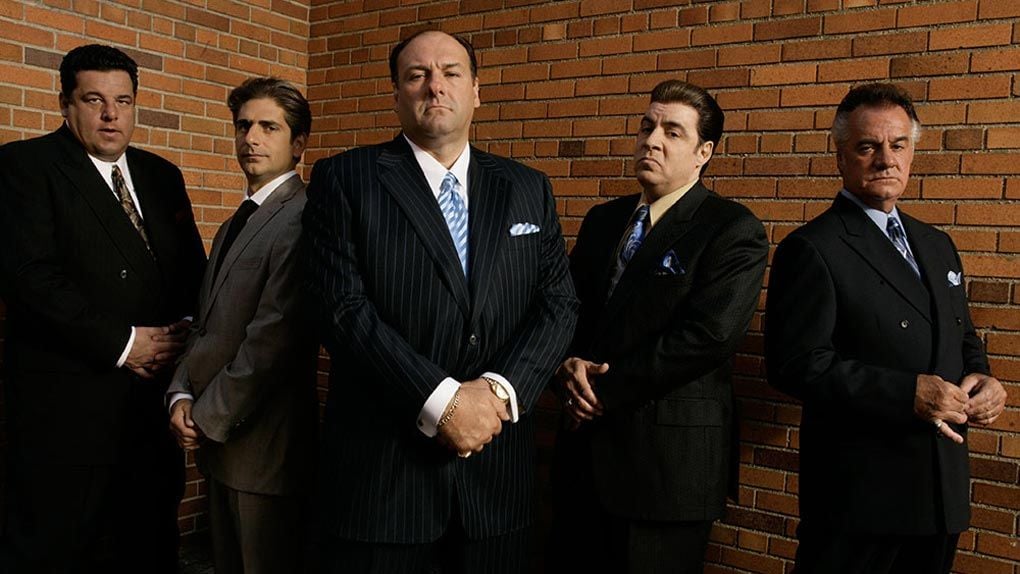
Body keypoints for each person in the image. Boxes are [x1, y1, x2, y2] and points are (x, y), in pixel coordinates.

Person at [302, 30, 578, 573]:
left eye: (451, 73)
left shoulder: (527, 187)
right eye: (417, 75)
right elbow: (340, 308)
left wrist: (498, 391)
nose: (435, 86)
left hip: (495, 483)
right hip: (384, 482)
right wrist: (443, 401)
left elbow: (558, 304)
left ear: (476, 90)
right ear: (396, 94)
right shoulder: (345, 178)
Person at [765, 83, 1008, 574]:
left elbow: (960, 335)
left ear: (912, 152)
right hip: (861, 499)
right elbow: (795, 364)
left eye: (898, 145)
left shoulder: (937, 244)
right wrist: (905, 393)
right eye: (867, 146)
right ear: (840, 156)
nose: (886, 160)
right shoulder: (812, 248)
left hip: (939, 490)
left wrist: (984, 377)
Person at [547, 80, 769, 574]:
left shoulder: (732, 229)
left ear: (703, 153)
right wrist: (564, 368)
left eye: (672, 132)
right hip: (581, 459)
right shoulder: (603, 220)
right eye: (647, 127)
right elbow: (565, 310)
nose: (652, 140)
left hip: (666, 472)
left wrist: (601, 390)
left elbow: (708, 336)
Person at [0, 44, 206, 573]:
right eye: (94, 100)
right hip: (67, 411)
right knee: (60, 550)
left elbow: (193, 273)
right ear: (65, 104)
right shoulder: (24, 167)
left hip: (151, 406)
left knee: (148, 542)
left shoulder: (162, 175)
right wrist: (125, 343)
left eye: (123, 101)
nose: (111, 114)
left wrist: (183, 333)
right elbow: (29, 278)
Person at [167, 77, 318, 574]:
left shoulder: (303, 218)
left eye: (268, 127)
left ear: (298, 143)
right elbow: (206, 323)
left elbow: (272, 341)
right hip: (220, 445)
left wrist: (203, 416)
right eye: (243, 125)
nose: (251, 138)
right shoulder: (236, 222)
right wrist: (179, 393)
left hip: (266, 452)